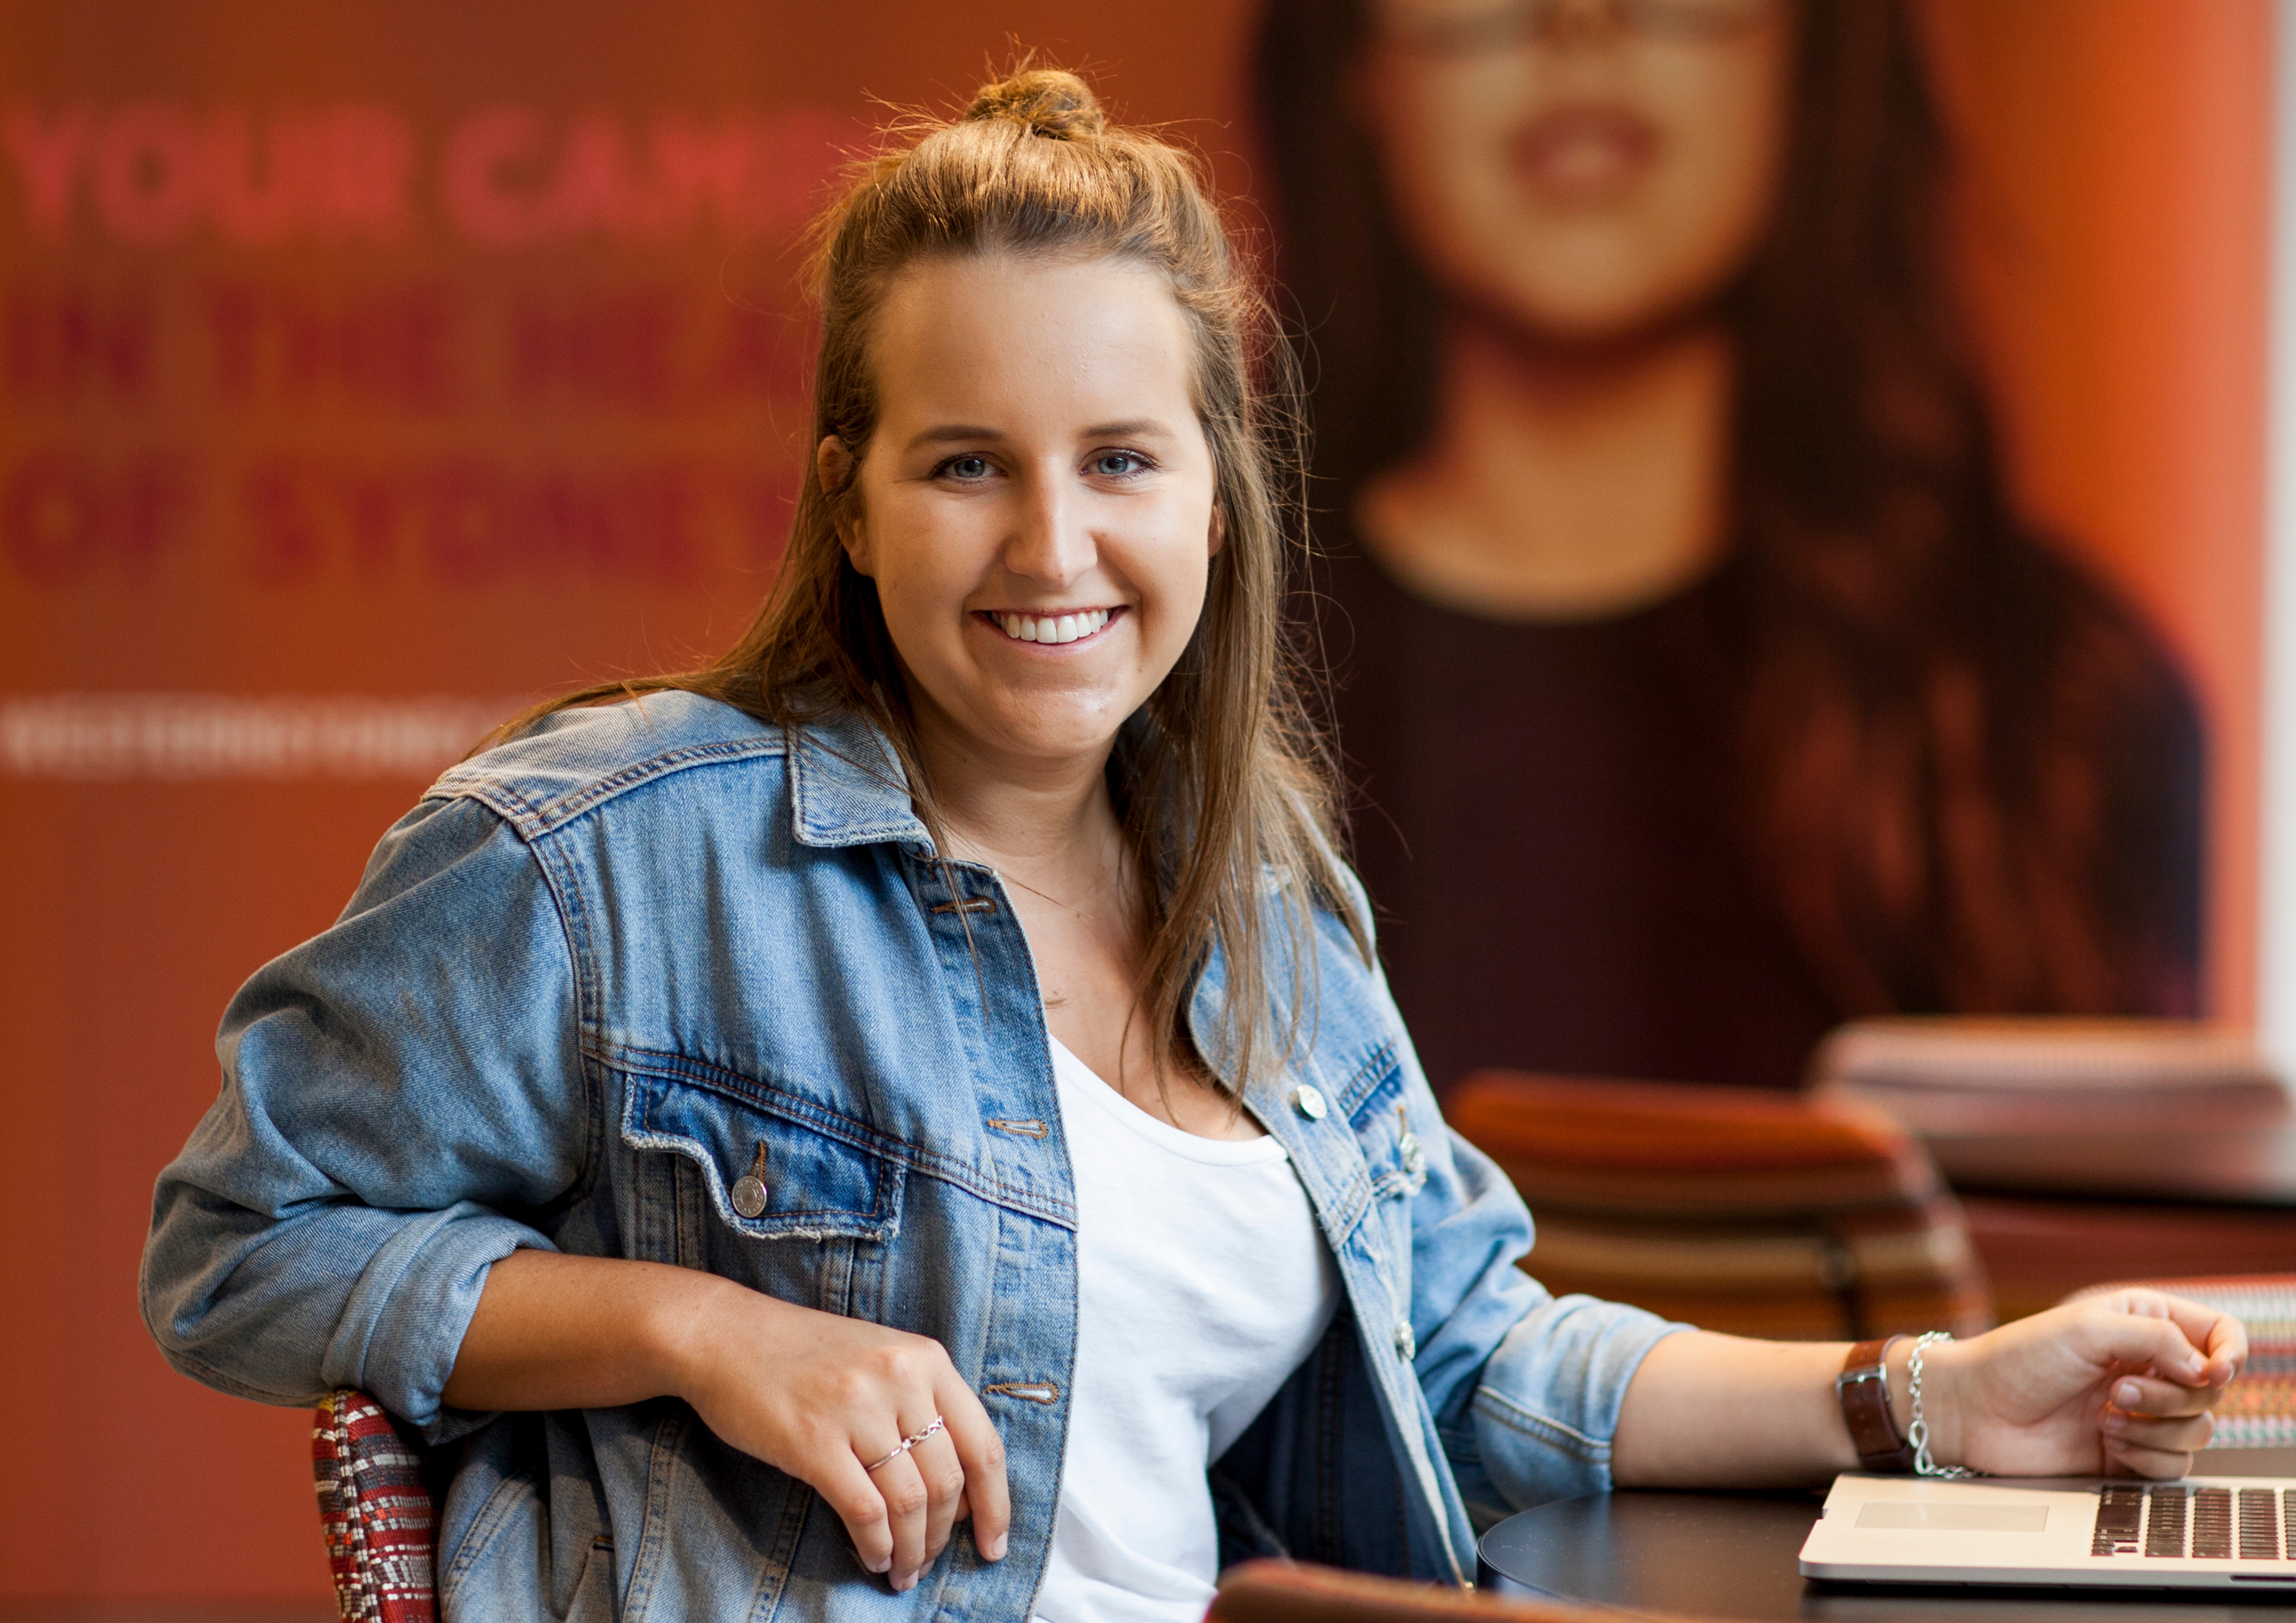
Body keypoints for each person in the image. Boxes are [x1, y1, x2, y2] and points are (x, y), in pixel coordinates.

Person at [142, 68, 2241, 1622]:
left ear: (1213, 504)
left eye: (1121, 460)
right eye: (968, 464)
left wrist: (1944, 1394)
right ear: (850, 500)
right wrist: (700, 1328)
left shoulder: (1269, 915)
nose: (1055, 547)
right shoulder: (605, 851)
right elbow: (235, 1252)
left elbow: (1472, 1352)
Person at [1254, 0, 2206, 1093]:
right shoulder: (1160, 679)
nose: (1579, 26)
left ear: (1819, 48)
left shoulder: (2060, 706)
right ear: (1354, 60)